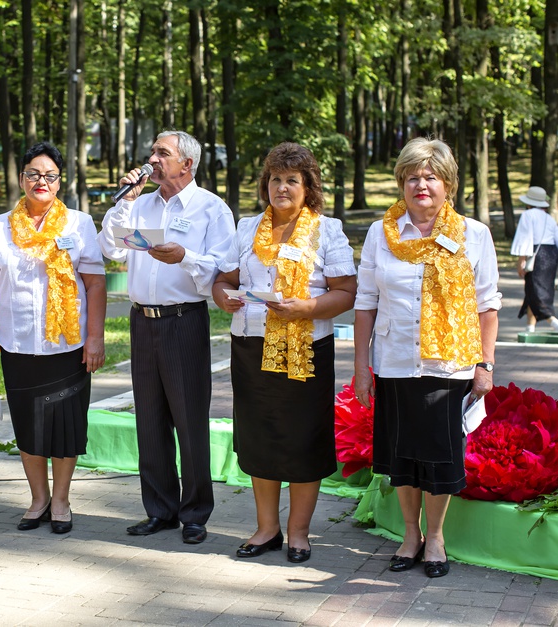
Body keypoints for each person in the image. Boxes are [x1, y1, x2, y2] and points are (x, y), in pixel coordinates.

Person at [354, 137, 500, 578]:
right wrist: (362, 365)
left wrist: (485, 364)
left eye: (431, 176)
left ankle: (435, 537)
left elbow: (487, 305)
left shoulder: (474, 235)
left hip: (450, 365)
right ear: (401, 183)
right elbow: (365, 301)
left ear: (448, 184)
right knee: (403, 456)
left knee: (439, 455)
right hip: (396, 360)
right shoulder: (382, 234)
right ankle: (410, 536)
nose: (421, 184)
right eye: (413, 176)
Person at [212, 143, 357, 563]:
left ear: (308, 186)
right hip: (251, 348)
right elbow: (224, 280)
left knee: (303, 439)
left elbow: (346, 292)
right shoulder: (245, 227)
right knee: (261, 437)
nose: (281, 187)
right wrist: (223, 297)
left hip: (306, 349)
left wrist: (306, 308)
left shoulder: (327, 231)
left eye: (292, 180)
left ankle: (298, 532)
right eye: (275, 178)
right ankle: (266, 529)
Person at [98, 130, 234, 544]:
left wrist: (185, 256)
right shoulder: (140, 204)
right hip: (143, 322)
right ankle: (159, 510)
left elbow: (225, 267)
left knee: (189, 420)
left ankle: (195, 513)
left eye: (162, 153)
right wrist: (125, 201)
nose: (152, 159)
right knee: (150, 420)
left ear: (186, 164)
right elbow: (112, 249)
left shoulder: (211, 208)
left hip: (183, 321)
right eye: (153, 152)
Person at [0, 142, 106, 534]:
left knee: (65, 425)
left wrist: (95, 338)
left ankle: (62, 501)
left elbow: (96, 285)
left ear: (60, 181)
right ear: (21, 179)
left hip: (68, 345)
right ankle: (38, 499)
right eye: (33, 174)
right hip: (17, 343)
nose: (41, 182)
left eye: (49, 175)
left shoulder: (79, 224)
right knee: (28, 425)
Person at [510, 186, 557, 333]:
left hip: (536, 254)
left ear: (529, 202)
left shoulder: (528, 215)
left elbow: (525, 238)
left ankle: (552, 320)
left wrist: (521, 261)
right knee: (537, 289)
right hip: (551, 254)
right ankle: (530, 326)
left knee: (535, 289)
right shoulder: (549, 218)